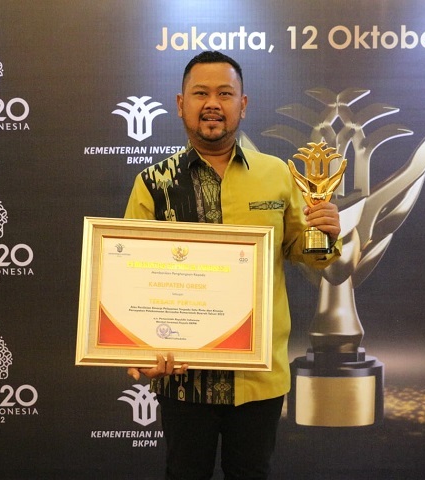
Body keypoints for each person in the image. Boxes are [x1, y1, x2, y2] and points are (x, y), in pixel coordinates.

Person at [124, 51, 341, 480]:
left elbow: (306, 252)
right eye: (200, 93)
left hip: (258, 373)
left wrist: (325, 234)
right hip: (183, 375)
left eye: (225, 94)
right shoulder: (153, 183)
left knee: (252, 473)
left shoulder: (278, 174)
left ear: (243, 104)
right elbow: (131, 275)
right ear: (180, 103)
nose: (212, 104)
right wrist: (137, 350)